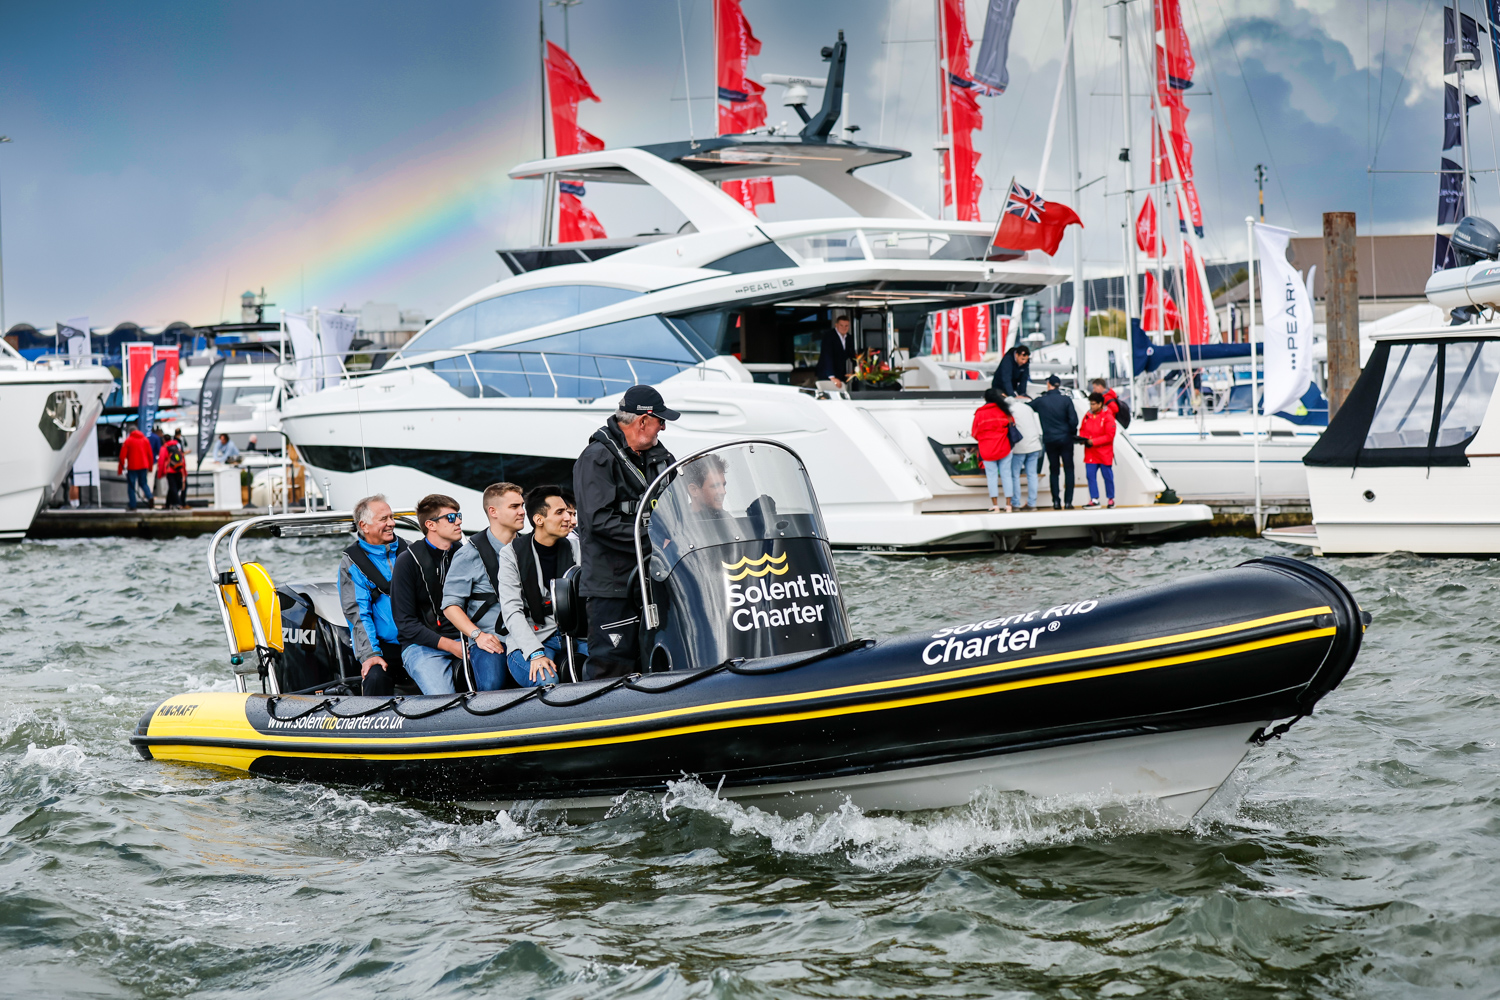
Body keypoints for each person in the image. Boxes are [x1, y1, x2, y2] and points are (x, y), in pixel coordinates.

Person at [574, 384, 678, 679]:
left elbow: (682, 506)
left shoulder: (662, 458)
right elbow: (598, 522)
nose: (664, 428)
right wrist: (656, 542)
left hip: (657, 580)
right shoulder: (596, 457)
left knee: (660, 660)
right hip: (614, 586)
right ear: (643, 421)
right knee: (611, 666)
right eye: (661, 421)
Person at [441, 482, 527, 691]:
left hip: (528, 634)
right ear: (493, 511)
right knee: (492, 684)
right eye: (514, 507)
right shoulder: (469, 554)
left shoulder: (529, 547)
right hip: (490, 639)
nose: (522, 512)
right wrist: (478, 636)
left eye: (522, 505)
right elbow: (450, 606)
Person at [500, 485, 588, 686]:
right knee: (548, 681)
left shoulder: (576, 547)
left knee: (604, 669)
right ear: (539, 520)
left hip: (574, 635)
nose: (569, 517)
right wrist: (535, 653)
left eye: (568, 511)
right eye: (560, 512)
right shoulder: (510, 554)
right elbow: (511, 610)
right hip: (533, 638)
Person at [392, 493, 466, 694]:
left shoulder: (464, 555)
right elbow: (405, 624)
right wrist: (450, 646)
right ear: (430, 525)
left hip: (465, 637)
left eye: (459, 516)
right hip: (421, 647)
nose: (458, 521)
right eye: (450, 518)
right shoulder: (407, 562)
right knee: (442, 698)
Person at [338, 494, 411, 696]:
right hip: (384, 646)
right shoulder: (352, 564)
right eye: (384, 519)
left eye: (392, 517)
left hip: (418, 640)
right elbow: (358, 614)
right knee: (376, 677)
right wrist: (371, 655)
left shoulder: (412, 551)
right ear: (364, 525)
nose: (392, 523)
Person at [1029, 375, 1080, 510]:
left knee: (1054, 470)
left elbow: (1027, 408)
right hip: (1066, 439)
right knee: (1069, 469)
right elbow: (1074, 421)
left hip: (1050, 439)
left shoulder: (1041, 401)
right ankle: (1068, 502)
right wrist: (1071, 432)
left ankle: (1056, 502)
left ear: (1048, 384)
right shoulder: (1066, 400)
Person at [970, 389, 1015, 513]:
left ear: (985, 399)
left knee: (991, 477)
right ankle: (1008, 505)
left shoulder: (980, 413)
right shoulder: (1004, 410)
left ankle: (995, 506)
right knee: (1006, 475)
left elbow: (974, 433)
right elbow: (1012, 425)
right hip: (1004, 447)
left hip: (987, 449)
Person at [1079, 392, 1118, 509]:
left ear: (1100, 404)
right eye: (1090, 404)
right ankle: (1094, 499)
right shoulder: (1087, 416)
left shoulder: (1108, 417)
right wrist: (1082, 439)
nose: (1092, 406)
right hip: (1091, 452)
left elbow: (1109, 436)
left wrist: (1093, 441)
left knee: (1107, 476)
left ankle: (1110, 499)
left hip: (1104, 452)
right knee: (1090, 476)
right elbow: (1082, 430)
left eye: (1094, 404)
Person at [1007, 390, 1045, 511]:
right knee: (1032, 475)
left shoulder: (1008, 410)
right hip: (1034, 445)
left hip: (1019, 447)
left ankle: (1016, 504)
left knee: (1015, 476)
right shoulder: (1027, 407)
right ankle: (1032, 504)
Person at [117, 423, 155, 511]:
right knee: (143, 483)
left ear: (129, 432)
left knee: (131, 486)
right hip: (143, 466)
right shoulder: (145, 440)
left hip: (132, 466)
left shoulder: (128, 441)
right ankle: (149, 496)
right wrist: (150, 467)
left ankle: (133, 506)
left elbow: (122, 456)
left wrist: (120, 469)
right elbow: (150, 454)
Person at [815, 312, 858, 388]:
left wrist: (857, 370)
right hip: (827, 374)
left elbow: (852, 355)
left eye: (846, 326)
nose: (844, 328)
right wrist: (832, 377)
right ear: (836, 325)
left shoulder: (849, 338)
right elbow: (827, 356)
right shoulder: (829, 337)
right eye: (841, 325)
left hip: (840, 373)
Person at [156, 432, 188, 510]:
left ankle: (178, 503)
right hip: (179, 469)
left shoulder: (164, 448)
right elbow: (182, 458)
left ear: (164, 440)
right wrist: (184, 471)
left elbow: (161, 461)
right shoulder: (177, 446)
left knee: (173, 487)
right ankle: (168, 504)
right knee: (174, 488)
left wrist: (160, 474)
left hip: (170, 470)